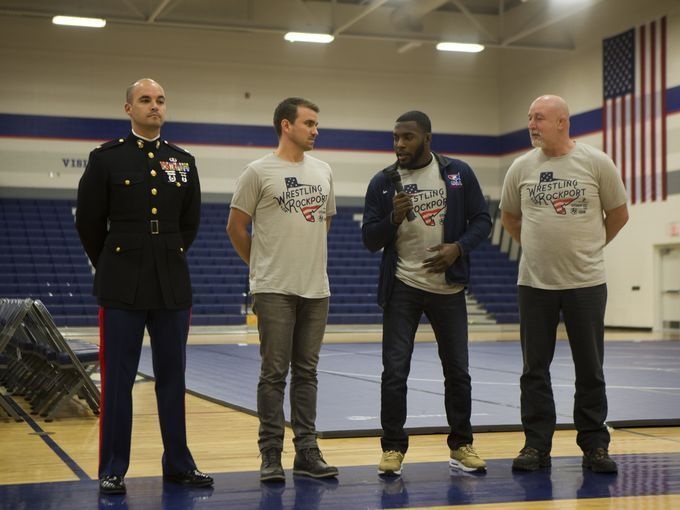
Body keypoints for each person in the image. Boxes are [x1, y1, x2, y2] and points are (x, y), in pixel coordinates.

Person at [76, 78, 213, 494]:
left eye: (160, 100)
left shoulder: (182, 160)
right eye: (146, 100)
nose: (155, 106)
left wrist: (165, 252)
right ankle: (113, 467)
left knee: (173, 378)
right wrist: (115, 261)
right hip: (122, 284)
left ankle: (178, 463)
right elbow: (89, 222)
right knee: (118, 381)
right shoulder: (106, 159)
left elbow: (189, 223)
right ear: (128, 108)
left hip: (171, 282)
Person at [499, 94, 629, 473]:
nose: (532, 124)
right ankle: (536, 446)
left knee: (590, 368)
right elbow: (509, 218)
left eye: (539, 117)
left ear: (562, 122)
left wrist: (589, 247)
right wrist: (540, 250)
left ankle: (594, 446)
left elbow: (619, 214)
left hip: (586, 283)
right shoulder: (520, 168)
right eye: (529, 118)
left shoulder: (595, 162)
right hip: (535, 285)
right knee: (534, 369)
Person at [362, 111, 492, 476]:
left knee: (458, 372)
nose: (399, 144)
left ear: (427, 139)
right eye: (395, 138)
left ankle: (462, 445)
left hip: (448, 288)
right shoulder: (383, 182)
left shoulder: (457, 173)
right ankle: (392, 448)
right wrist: (391, 219)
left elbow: (482, 219)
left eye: (407, 137)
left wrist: (458, 248)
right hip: (402, 287)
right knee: (395, 372)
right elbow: (370, 239)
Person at [226, 97, 338, 483]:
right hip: (274, 288)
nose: (315, 130)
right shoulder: (257, 172)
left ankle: (306, 451)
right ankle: (270, 454)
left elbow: (324, 222)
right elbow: (236, 227)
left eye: (316, 123)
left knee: (307, 373)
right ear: (286, 126)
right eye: (309, 123)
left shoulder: (323, 170)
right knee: (274, 373)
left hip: (316, 289)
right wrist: (262, 267)